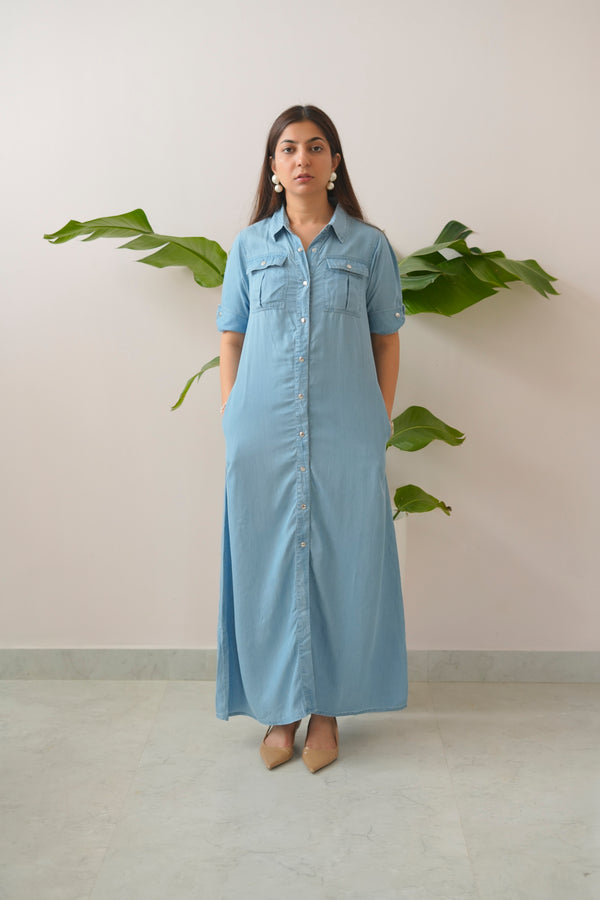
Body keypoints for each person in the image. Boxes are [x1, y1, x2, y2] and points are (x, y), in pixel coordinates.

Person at [216, 105, 407, 773]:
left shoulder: (369, 247)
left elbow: (387, 339)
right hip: (261, 434)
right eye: (289, 148)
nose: (303, 158)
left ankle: (325, 712)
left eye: (317, 146)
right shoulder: (248, 248)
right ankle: (280, 710)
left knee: (344, 567)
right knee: (266, 567)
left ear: (334, 162)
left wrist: (377, 421)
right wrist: (231, 416)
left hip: (347, 433)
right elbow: (232, 337)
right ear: (273, 167)